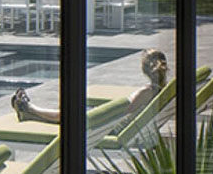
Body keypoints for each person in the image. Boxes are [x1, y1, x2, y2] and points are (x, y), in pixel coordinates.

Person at [11, 48, 168, 123]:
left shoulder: (146, 91)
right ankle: (30, 113)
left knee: (69, 115)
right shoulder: (162, 89)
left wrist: (104, 112)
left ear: (144, 68)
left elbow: (124, 115)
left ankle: (28, 108)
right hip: (116, 122)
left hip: (108, 125)